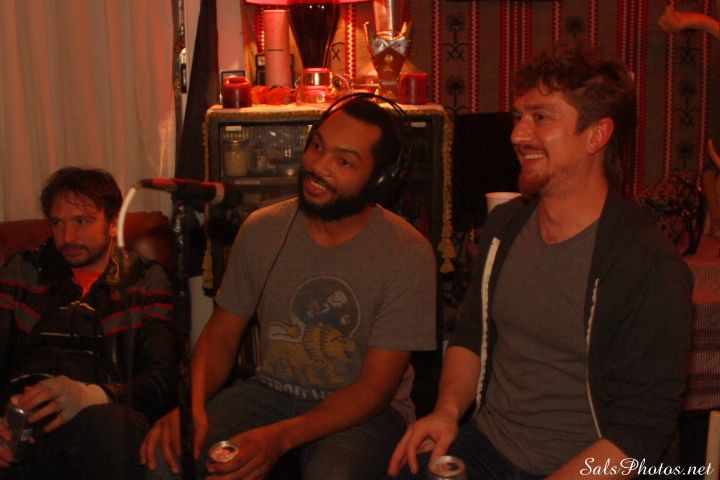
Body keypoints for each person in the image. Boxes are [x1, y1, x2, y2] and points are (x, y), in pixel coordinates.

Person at [388, 42, 693, 479]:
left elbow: (640, 435)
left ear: (596, 135)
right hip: (490, 445)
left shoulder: (647, 263)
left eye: (541, 117)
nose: (517, 134)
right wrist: (447, 412)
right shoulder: (505, 227)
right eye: (518, 117)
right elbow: (472, 335)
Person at [141, 95, 437, 480]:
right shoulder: (262, 229)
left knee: (332, 474)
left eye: (344, 162)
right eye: (317, 146)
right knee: (166, 456)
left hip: (365, 410)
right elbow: (222, 334)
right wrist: (191, 405)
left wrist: (279, 439)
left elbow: (375, 388)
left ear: (379, 180)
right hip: (270, 391)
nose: (318, 166)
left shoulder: (408, 253)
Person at [0, 167, 179, 479]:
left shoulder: (145, 280)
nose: (67, 237)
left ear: (112, 223)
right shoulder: (22, 271)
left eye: (82, 222)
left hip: (96, 425)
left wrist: (90, 395)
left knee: (118, 426)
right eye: (57, 223)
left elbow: (161, 380)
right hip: (20, 427)